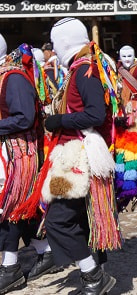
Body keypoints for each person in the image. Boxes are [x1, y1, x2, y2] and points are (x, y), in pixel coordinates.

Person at [43, 17, 119, 294]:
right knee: (84, 219)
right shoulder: (83, 66)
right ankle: (100, 275)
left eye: (54, 42)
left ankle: (94, 276)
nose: (52, 48)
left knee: (58, 221)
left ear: (63, 42)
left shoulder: (84, 70)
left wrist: (59, 120)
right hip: (76, 150)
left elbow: (96, 114)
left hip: (78, 155)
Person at [0, 35, 60, 294]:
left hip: (18, 154)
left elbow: (24, 118)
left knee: (8, 210)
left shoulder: (12, 77)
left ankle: (10, 268)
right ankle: (46, 251)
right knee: (19, 209)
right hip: (8, 151)